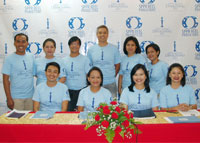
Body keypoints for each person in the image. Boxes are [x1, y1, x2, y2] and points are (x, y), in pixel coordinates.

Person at [2, 33, 34, 110]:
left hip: (31, 97)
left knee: (29, 121)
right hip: (16, 98)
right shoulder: (9, 59)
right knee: (18, 122)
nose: (21, 44)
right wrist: (9, 98)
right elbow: (5, 80)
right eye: (18, 41)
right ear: (14, 43)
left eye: (23, 41)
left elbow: (36, 74)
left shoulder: (31, 56)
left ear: (27, 43)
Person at [87, 25, 121, 98]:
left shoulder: (114, 48)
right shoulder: (91, 50)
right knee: (96, 106)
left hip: (110, 83)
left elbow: (117, 65)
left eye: (104, 33)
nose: (102, 35)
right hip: (95, 84)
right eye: (100, 33)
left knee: (112, 107)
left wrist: (111, 75)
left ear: (107, 34)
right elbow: (89, 67)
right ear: (97, 35)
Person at [63, 36, 91, 111]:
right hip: (67, 91)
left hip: (81, 91)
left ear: (79, 46)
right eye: (72, 44)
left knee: (80, 114)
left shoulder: (85, 59)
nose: (74, 46)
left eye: (76, 44)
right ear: (69, 46)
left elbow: (89, 76)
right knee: (68, 114)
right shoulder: (63, 60)